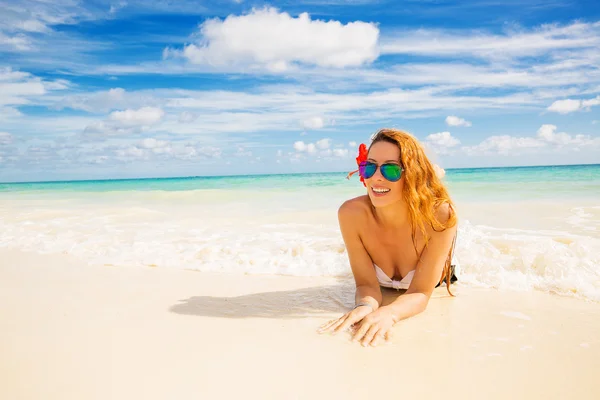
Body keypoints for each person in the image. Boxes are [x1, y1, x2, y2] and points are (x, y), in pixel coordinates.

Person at [318, 128, 458, 347]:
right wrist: (363, 307)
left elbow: (420, 292)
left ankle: (430, 174)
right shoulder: (351, 214)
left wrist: (390, 313)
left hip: (436, 275)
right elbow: (366, 285)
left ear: (412, 173)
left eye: (391, 170)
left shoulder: (440, 215)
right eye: (369, 167)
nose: (376, 177)